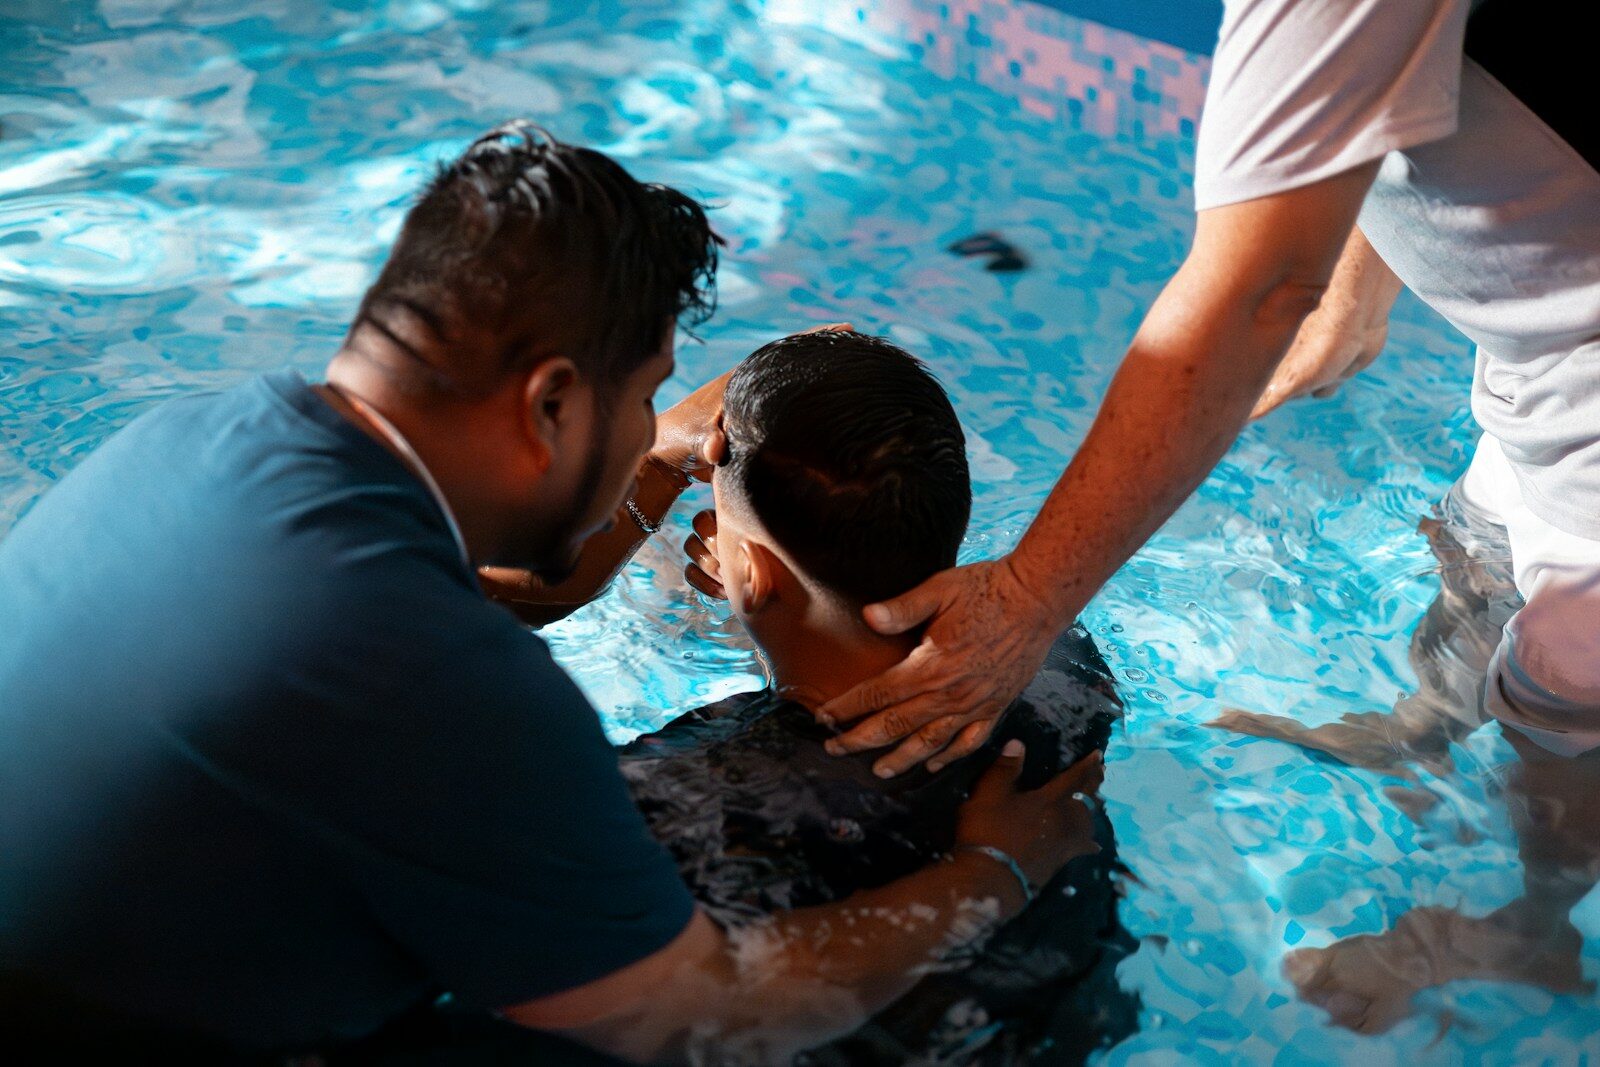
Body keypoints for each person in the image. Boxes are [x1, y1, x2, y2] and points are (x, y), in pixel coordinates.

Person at [0, 124, 1099, 1063]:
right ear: (551, 403)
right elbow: (697, 1017)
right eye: (650, 395)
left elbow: (452, 601)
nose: (655, 435)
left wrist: (657, 464)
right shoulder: (449, 684)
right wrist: (993, 871)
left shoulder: (200, 440)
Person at [817, 0, 1600, 783]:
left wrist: (1025, 601)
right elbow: (1394, 57)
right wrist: (1350, 285)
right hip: (1546, 368)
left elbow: (1254, 291)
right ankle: (1418, 740)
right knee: (1479, 560)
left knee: (1563, 701)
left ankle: (1532, 906)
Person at [615, 330, 1135, 1062]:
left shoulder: (670, 789)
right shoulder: (1058, 656)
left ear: (753, 574)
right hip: (1076, 1022)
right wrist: (768, 600)